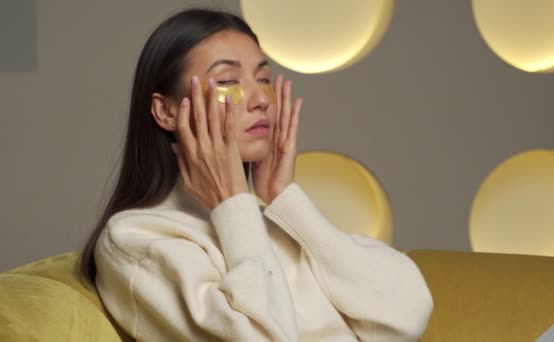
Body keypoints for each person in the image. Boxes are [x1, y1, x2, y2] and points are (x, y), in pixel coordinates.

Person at [79, 7, 433, 341]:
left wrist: (286, 199)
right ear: (166, 111)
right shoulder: (136, 240)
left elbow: (405, 317)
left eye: (263, 78)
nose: (260, 99)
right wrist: (233, 204)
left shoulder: (272, 221)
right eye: (228, 80)